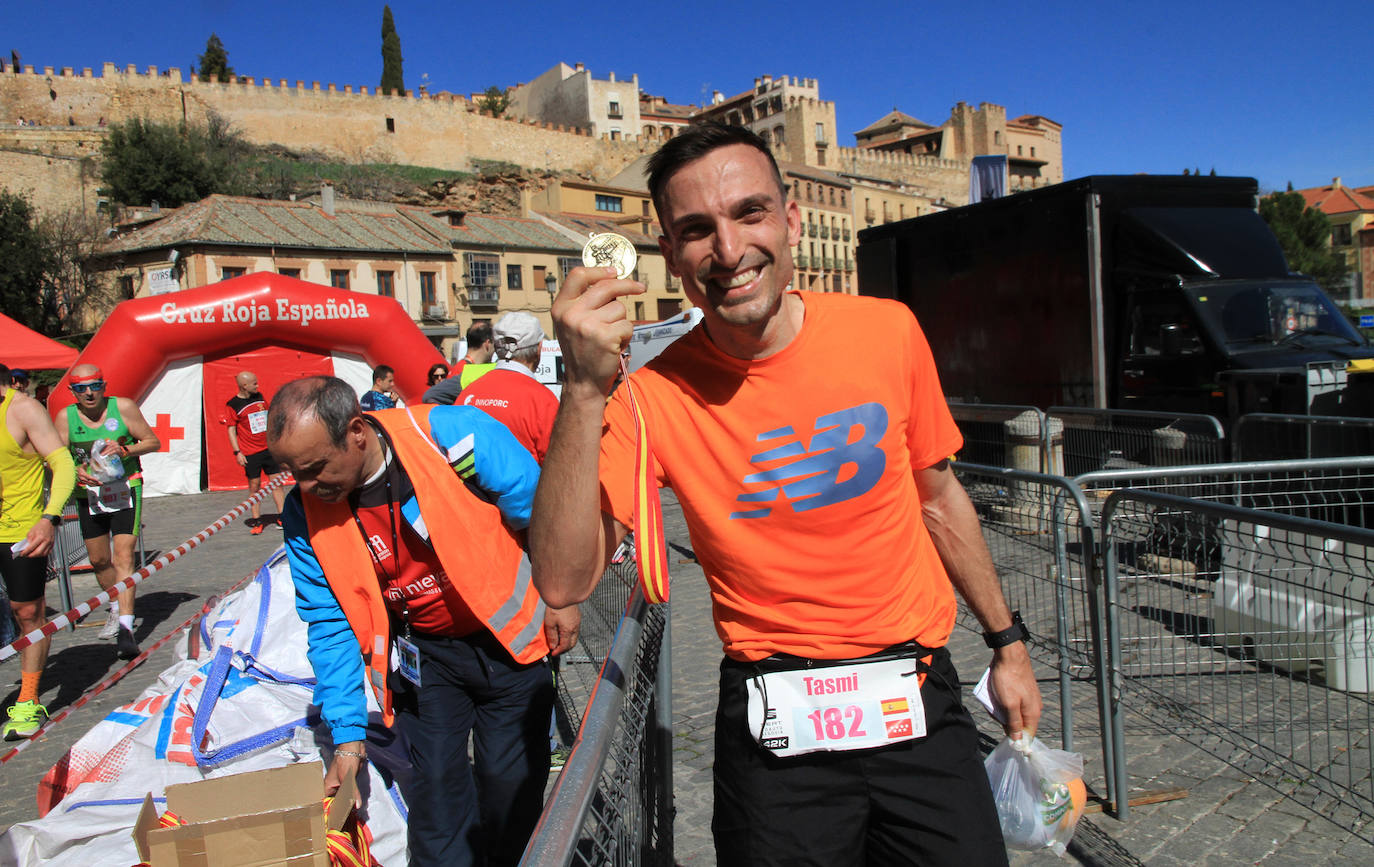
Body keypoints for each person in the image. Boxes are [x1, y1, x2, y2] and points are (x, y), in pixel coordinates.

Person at [531, 122, 1041, 866]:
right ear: (669, 254)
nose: (730, 251)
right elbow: (562, 577)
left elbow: (939, 497)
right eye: (697, 230)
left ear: (791, 219)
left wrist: (1008, 643)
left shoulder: (888, 332)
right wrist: (581, 390)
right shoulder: (650, 398)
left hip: (918, 700)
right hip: (775, 729)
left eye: (749, 213)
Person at [267, 376, 580, 867]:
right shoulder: (304, 513)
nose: (305, 487)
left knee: (509, 789)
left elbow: (540, 510)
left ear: (356, 431)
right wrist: (348, 738)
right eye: (291, 472)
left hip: (511, 647)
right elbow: (328, 624)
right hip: (426, 658)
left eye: (314, 468)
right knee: (435, 794)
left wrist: (562, 595)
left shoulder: (452, 438)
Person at [58, 364, 160, 660]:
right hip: (88, 493)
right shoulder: (66, 417)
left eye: (95, 386)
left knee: (124, 556)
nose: (89, 393)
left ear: (104, 385)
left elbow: (153, 441)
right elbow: (56, 455)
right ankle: (116, 606)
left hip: (126, 487)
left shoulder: (123, 407)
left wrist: (126, 451)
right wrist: (75, 469)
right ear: (73, 392)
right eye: (81, 388)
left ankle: (127, 632)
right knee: (99, 560)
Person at [0, 363, 76, 740]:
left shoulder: (23, 409)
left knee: (27, 611)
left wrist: (50, 518)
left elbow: (62, 464)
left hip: (20, 529)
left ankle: (29, 701)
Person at [452, 312, 558, 463]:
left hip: (468, 485)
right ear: (539, 348)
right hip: (527, 485)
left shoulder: (469, 392)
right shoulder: (543, 400)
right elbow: (555, 463)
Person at [223, 371, 286, 534]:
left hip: (268, 448)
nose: (257, 386)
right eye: (254, 384)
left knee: (277, 483)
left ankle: (283, 516)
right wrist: (237, 452)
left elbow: (267, 415)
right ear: (244, 386)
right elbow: (231, 430)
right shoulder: (233, 404)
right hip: (251, 452)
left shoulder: (259, 397)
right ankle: (257, 520)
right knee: (255, 486)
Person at [425, 322, 497, 404]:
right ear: (488, 344)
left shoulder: (462, 367)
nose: (495, 350)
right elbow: (431, 396)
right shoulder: (462, 370)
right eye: (494, 344)